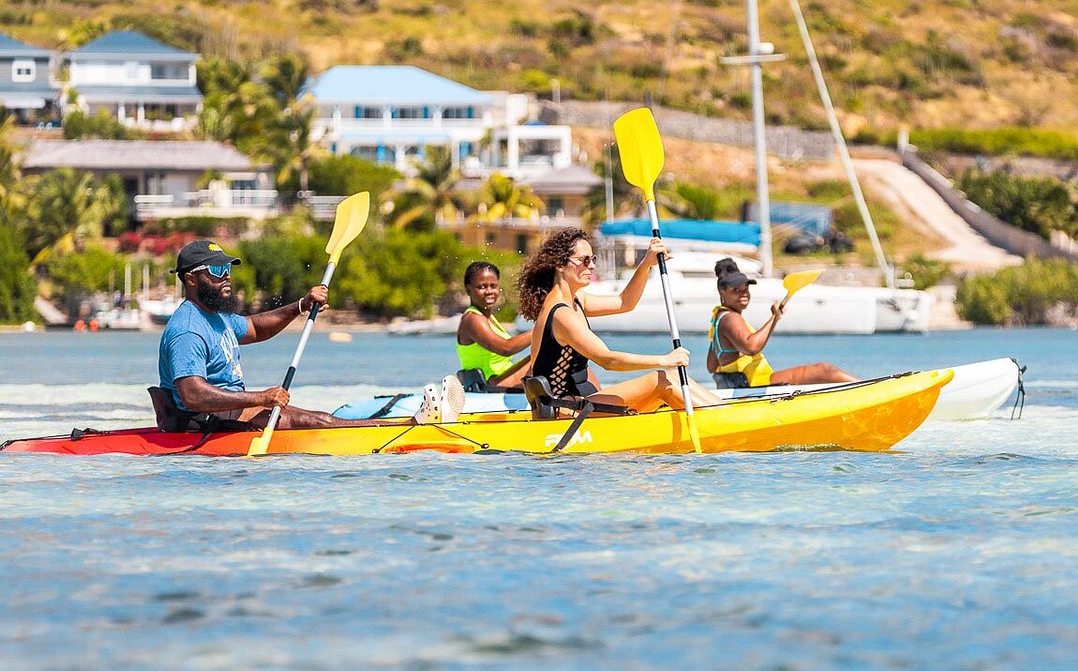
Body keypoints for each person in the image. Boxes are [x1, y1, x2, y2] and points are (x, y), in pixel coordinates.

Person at [158, 239, 462, 429]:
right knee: (318, 421)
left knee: (318, 418)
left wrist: (300, 306)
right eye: (217, 272)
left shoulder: (216, 317)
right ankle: (411, 426)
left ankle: (410, 422)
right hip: (203, 424)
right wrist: (259, 398)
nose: (227, 278)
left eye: (228, 270)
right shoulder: (188, 329)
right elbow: (193, 395)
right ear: (191, 279)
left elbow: (254, 327)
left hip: (229, 412)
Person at [517, 228, 723, 414]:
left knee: (675, 378)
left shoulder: (575, 301)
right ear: (560, 264)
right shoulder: (562, 315)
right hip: (567, 413)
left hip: (580, 404)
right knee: (660, 380)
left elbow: (625, 302)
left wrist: (646, 264)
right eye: (585, 260)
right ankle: (724, 422)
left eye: (593, 259)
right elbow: (608, 360)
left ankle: (723, 413)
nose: (592, 266)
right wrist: (665, 359)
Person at [706, 257, 857, 386]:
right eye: (735, 290)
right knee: (825, 370)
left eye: (745, 288)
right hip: (756, 384)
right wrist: (774, 317)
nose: (743, 293)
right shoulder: (731, 318)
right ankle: (875, 392)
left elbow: (712, 366)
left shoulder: (719, 319)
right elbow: (751, 347)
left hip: (751, 383)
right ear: (722, 291)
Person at [455, 260, 532, 389]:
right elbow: (506, 348)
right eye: (482, 287)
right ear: (468, 289)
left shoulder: (488, 318)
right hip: (492, 385)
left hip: (500, 380)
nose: (489, 291)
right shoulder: (473, 319)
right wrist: (541, 330)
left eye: (493, 286)